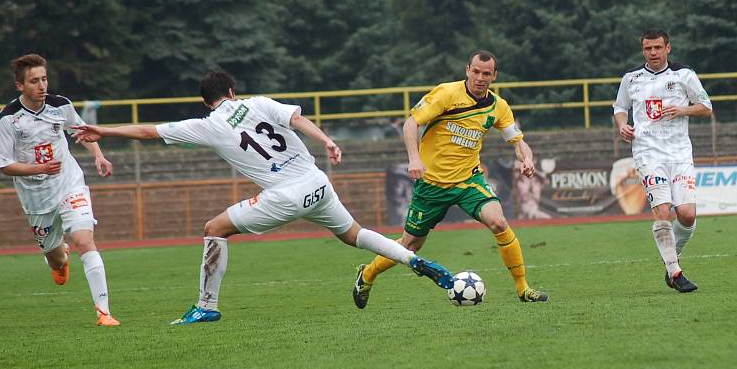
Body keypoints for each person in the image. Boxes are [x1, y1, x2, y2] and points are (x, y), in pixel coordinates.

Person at [72, 69, 454, 325]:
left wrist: (104, 131)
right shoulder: (259, 102)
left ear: (208, 101)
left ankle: (206, 308)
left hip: (285, 196)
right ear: (232, 92)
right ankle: (417, 261)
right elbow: (297, 120)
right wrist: (327, 141)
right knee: (354, 234)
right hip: (318, 182)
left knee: (213, 228)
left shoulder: (207, 125)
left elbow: (149, 132)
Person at [352, 50, 548, 309]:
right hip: (431, 185)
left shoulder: (498, 106)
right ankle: (367, 275)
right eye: (476, 71)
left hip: (468, 181)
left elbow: (518, 141)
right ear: (467, 69)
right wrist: (414, 158)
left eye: (486, 73)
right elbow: (410, 124)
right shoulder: (446, 94)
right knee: (410, 245)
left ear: (494, 76)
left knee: (499, 223)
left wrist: (527, 159)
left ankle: (523, 288)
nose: (480, 78)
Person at [0, 54, 120, 326]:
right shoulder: (8, 119)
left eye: (44, 79)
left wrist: (98, 155)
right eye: (34, 81)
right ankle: (60, 259)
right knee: (54, 258)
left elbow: (81, 131)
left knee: (85, 241)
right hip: (36, 198)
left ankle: (104, 312)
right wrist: (38, 169)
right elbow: (5, 165)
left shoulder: (60, 106)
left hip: (68, 183)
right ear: (20, 86)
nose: (42, 85)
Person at [613, 29, 713, 293]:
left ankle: (671, 256)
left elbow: (706, 106)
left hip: (679, 153)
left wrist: (683, 109)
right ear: (643, 50)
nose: (653, 53)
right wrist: (623, 126)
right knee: (663, 210)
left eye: (658, 47)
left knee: (687, 215)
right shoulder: (631, 78)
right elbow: (620, 108)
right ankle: (675, 272)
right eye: (648, 49)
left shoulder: (684, 75)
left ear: (668, 48)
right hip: (647, 152)